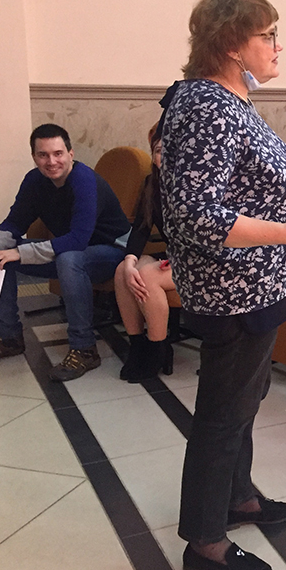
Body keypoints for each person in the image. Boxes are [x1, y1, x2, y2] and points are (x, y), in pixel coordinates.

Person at [159, 0, 286, 570]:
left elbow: (239, 189)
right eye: (267, 35)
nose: (277, 45)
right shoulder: (208, 107)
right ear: (232, 45)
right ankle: (204, 541)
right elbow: (195, 215)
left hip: (256, 286)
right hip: (235, 291)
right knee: (222, 413)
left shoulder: (228, 102)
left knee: (245, 398)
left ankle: (238, 497)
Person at [0, 124, 131, 382]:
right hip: (70, 253)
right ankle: (8, 338)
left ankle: (84, 348)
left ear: (71, 154)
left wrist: (20, 252)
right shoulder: (34, 181)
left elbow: (77, 240)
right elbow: (15, 221)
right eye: (43, 155)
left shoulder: (85, 181)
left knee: (69, 258)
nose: (51, 161)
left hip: (113, 253)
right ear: (34, 157)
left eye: (58, 153)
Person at [114, 122, 175, 382]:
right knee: (123, 271)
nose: (165, 157)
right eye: (159, 151)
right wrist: (130, 260)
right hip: (174, 258)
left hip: (202, 261)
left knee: (148, 276)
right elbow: (141, 228)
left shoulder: (198, 184)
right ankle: (137, 346)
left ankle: (158, 348)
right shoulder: (153, 182)